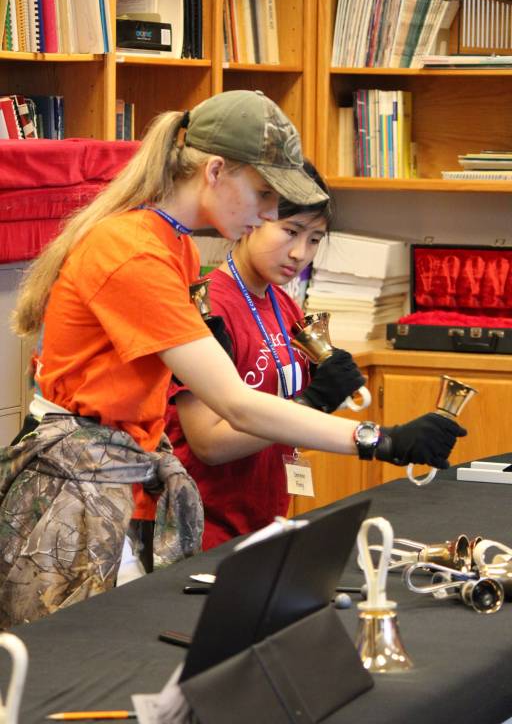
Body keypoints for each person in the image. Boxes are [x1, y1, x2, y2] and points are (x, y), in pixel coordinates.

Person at [0, 89, 465, 627]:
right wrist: (378, 439)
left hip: (119, 475)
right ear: (216, 171)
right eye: (264, 194)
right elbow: (236, 406)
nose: (268, 213)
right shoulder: (133, 251)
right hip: (79, 489)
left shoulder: (173, 244)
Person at [165, 160, 370, 549]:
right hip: (205, 527)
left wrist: (326, 387)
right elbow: (208, 443)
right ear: (255, 218)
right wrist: (309, 403)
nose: (300, 253)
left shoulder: (281, 303)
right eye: (290, 231)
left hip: (263, 519)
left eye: (314, 239)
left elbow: (285, 410)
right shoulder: (209, 308)